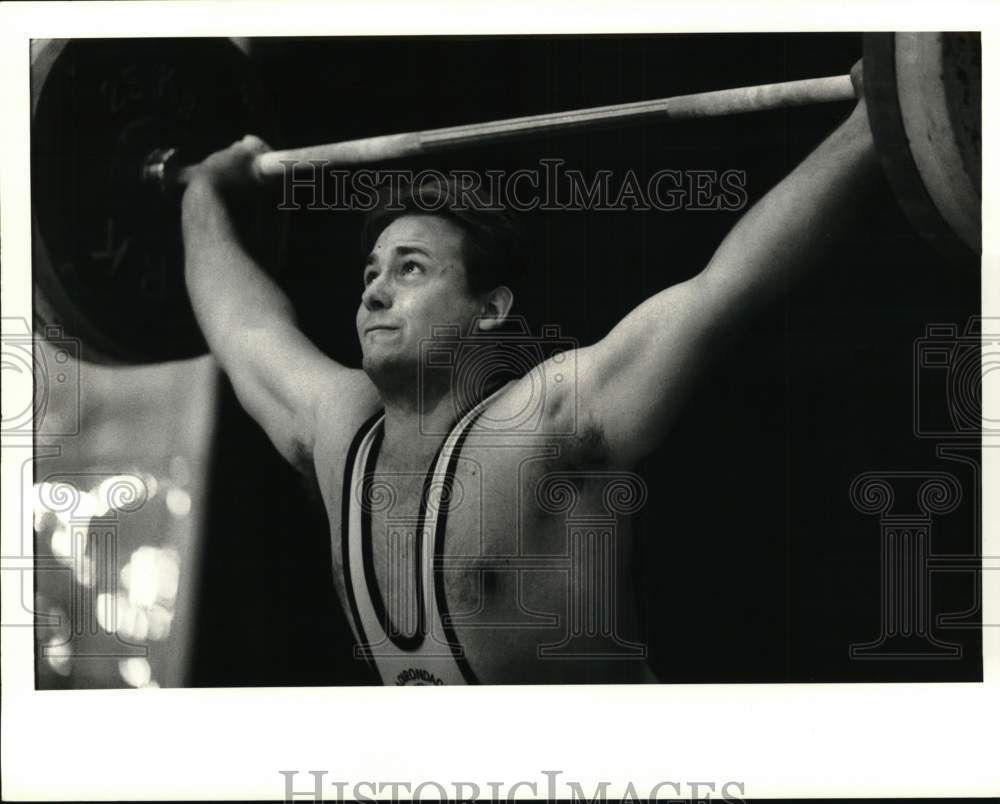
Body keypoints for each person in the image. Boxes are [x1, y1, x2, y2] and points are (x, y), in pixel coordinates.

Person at [182, 62, 875, 685]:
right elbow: (242, 324)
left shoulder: (548, 424)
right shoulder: (336, 432)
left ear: (490, 309)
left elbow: (726, 288)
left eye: (410, 269)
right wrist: (203, 195)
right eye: (371, 273)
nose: (374, 292)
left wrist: (875, 124)